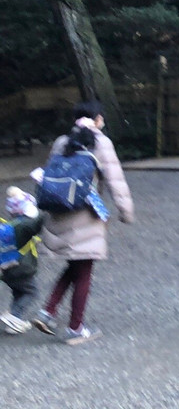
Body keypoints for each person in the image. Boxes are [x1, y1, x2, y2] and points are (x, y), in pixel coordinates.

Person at [33, 101, 134, 345]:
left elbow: (50, 175)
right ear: (98, 119)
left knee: (74, 265)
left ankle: (47, 312)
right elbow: (115, 180)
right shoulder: (102, 143)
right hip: (85, 214)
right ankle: (75, 327)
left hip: (59, 210)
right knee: (84, 270)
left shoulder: (61, 142)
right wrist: (126, 211)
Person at [1, 187, 44, 334]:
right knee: (31, 292)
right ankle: (12, 316)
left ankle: (14, 322)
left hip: (6, 269)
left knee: (19, 292)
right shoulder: (24, 225)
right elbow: (39, 221)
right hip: (20, 268)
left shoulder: (10, 225)